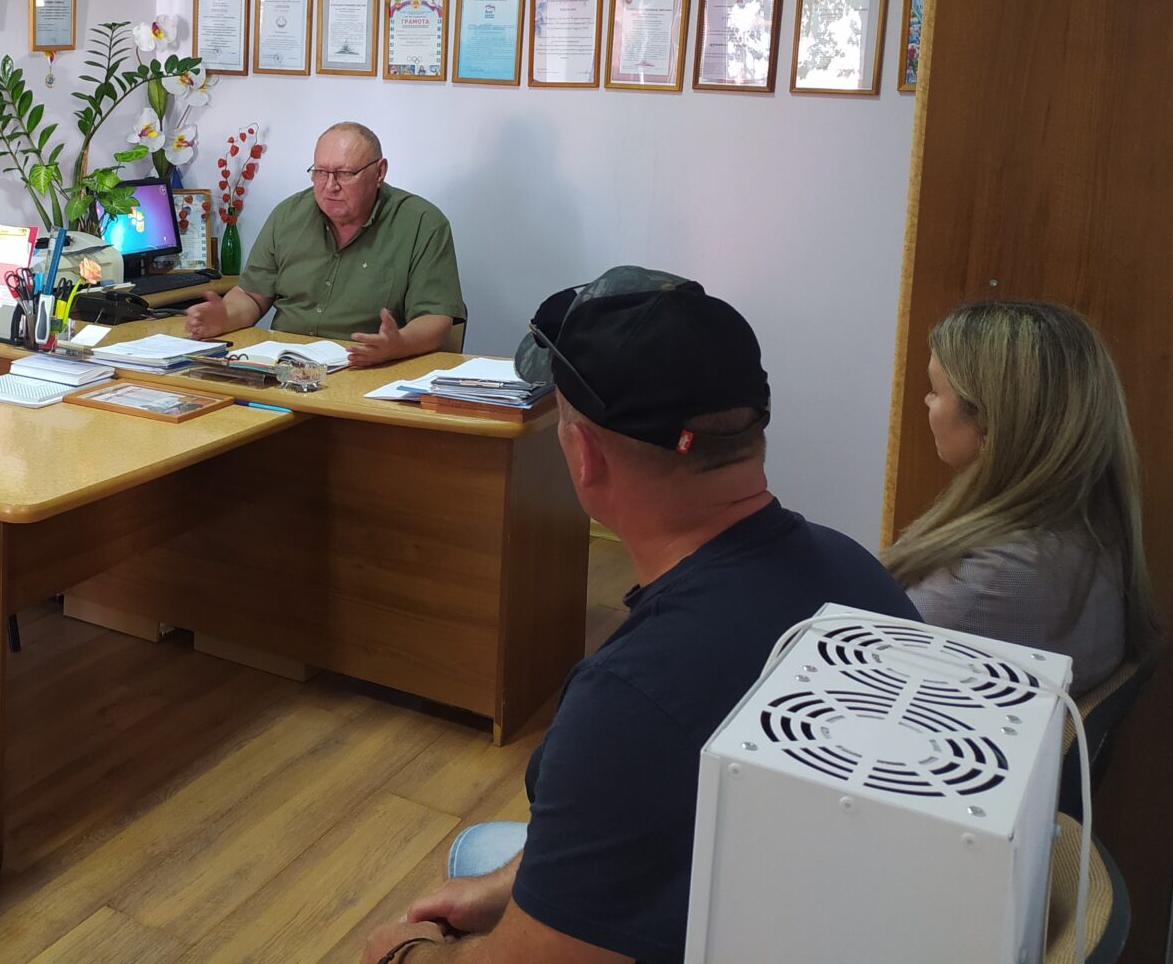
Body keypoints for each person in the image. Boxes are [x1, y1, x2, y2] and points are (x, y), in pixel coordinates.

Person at [362, 267, 917, 964]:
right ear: (751, 427)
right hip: (823, 908)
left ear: (584, 455)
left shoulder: (630, 697)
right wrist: (512, 887)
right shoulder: (856, 570)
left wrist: (405, 953)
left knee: (460, 863)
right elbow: (657, 812)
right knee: (489, 858)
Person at [883, 299, 1161, 694]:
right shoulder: (1089, 528)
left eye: (935, 391)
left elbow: (864, 662)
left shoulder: (992, 577)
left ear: (987, 423)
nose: (927, 401)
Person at [184, 121, 465, 367]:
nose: (330, 186)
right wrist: (225, 317)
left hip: (370, 367)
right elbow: (251, 296)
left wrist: (399, 345)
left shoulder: (422, 223)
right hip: (284, 368)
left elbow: (436, 318)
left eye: (344, 174)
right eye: (320, 172)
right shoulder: (288, 215)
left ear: (379, 172)